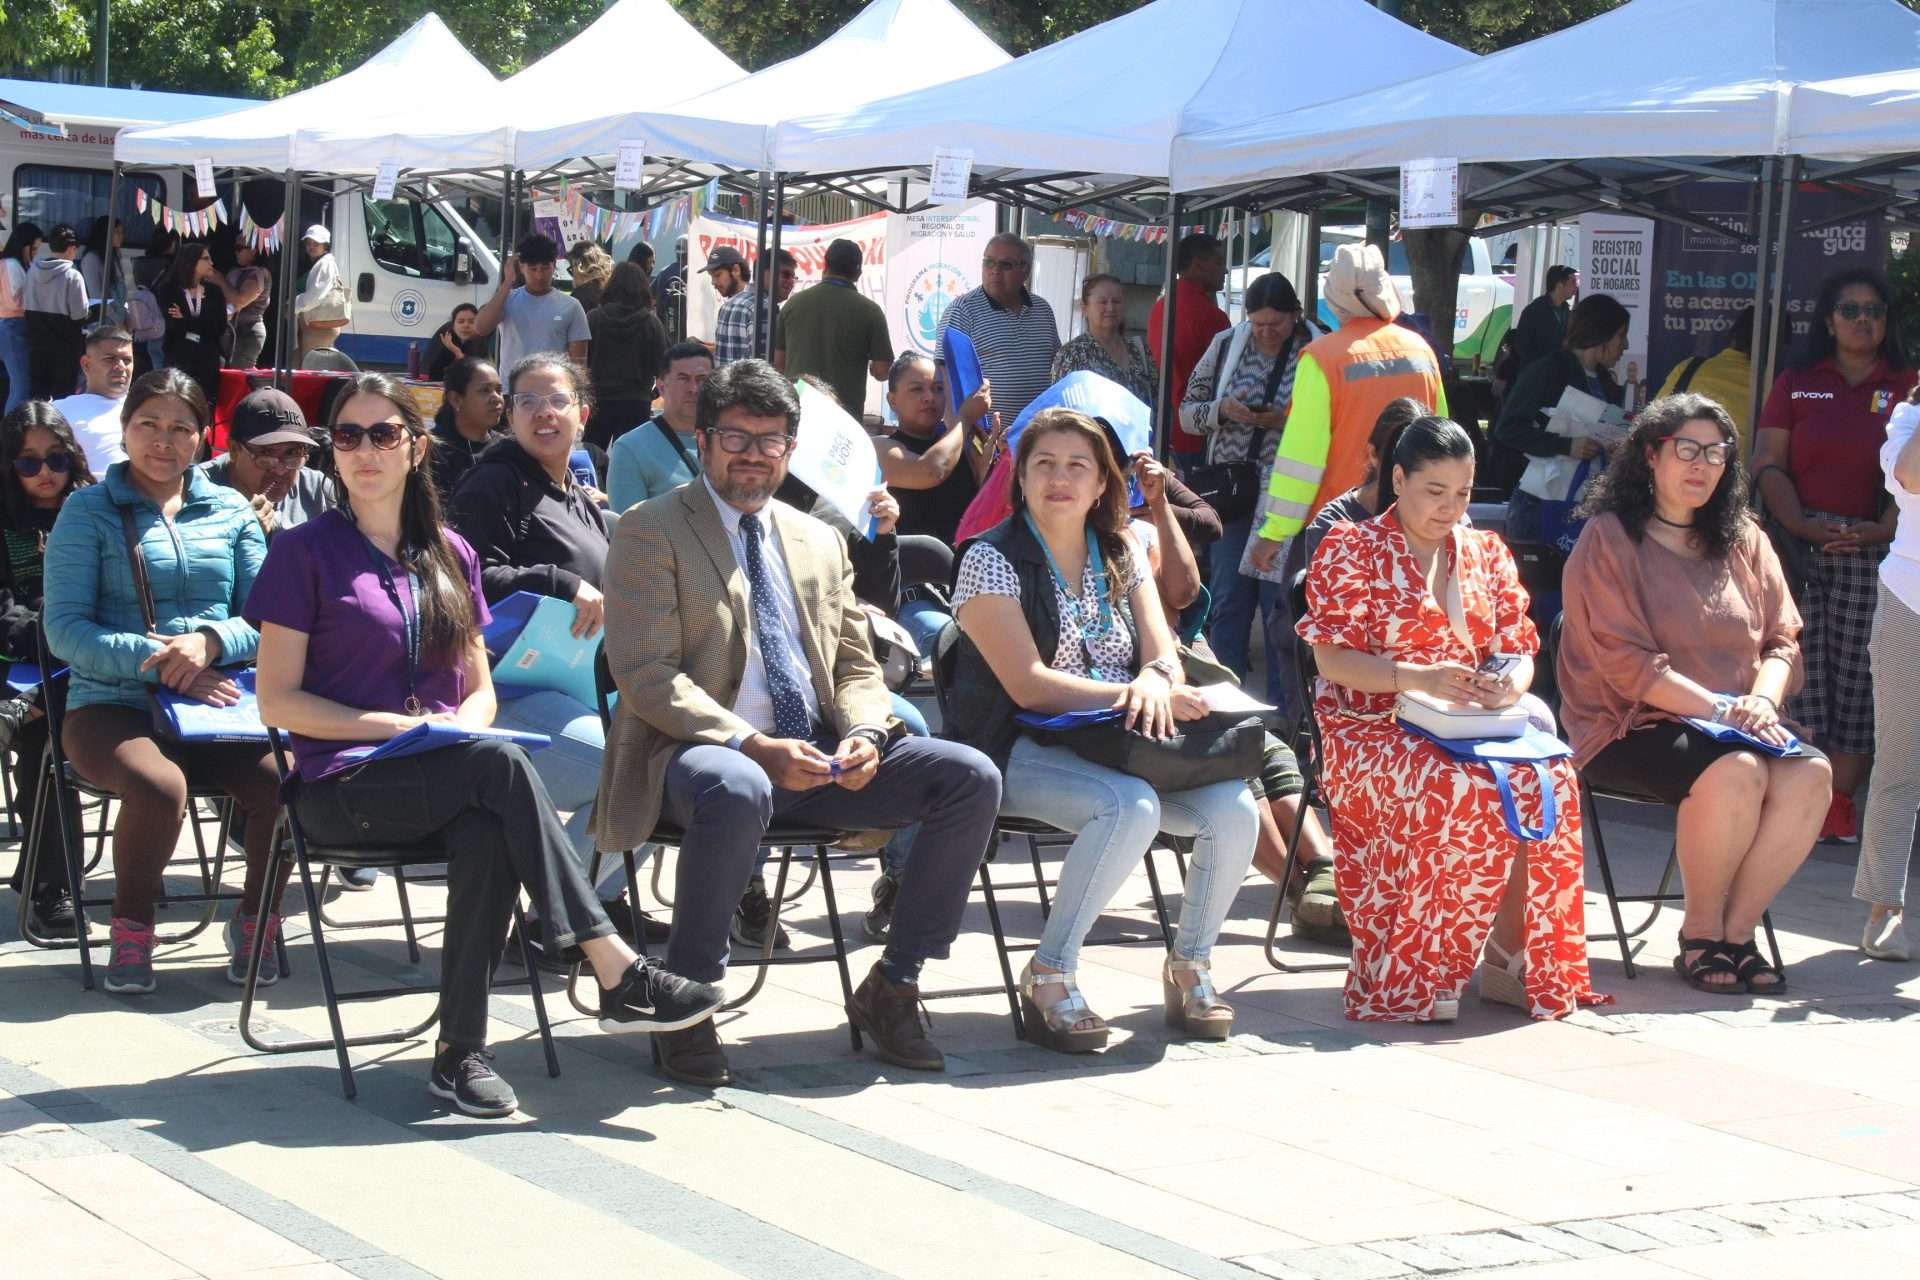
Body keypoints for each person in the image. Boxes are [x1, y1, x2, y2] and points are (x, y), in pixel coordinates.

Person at [248, 372, 721, 1117]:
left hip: (446, 770)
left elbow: (480, 688)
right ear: (331, 451)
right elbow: (277, 701)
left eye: (383, 434)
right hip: (342, 783)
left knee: (488, 823)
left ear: (415, 448)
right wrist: (400, 729)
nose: (364, 450)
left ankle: (459, 1054)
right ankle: (612, 965)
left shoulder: (450, 553)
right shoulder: (302, 552)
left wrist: (459, 723)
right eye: (346, 435)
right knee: (499, 767)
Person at [596, 358, 1002, 1086]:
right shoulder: (650, 529)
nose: (754, 454)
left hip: (817, 757)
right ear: (703, 439)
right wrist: (753, 744)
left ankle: (894, 985)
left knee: (968, 776)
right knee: (739, 784)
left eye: (772, 440)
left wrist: (866, 733)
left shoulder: (819, 538)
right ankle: (686, 1003)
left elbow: (854, 665)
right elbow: (646, 674)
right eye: (736, 437)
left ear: (791, 449)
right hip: (693, 755)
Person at [945, 407, 1256, 1050]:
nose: (1060, 479)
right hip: (1017, 745)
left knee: (1235, 808)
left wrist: (1158, 678)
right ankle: (1049, 973)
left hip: (1121, 743)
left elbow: (1163, 653)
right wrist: (1132, 690)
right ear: (1020, 478)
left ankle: (1190, 966)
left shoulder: (1120, 548)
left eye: (1076, 466)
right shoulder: (989, 557)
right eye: (1044, 465)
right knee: (1129, 807)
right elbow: (1028, 684)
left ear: (1101, 482)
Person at [1301, 415, 1606, 1022]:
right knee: (1451, 785)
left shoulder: (1486, 551)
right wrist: (1417, 677)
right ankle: (1427, 965)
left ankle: (1511, 955)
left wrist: (1508, 684)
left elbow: (1519, 647)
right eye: (1434, 491)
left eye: (1463, 493)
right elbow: (1331, 659)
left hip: (1469, 723)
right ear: (1398, 480)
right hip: (1370, 725)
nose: (1450, 507)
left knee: (1549, 779)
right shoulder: (1352, 547)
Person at [1560, 394, 1829, 993]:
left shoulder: (1745, 538)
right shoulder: (1609, 539)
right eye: (1686, 449)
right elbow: (1627, 667)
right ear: (1650, 456)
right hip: (1631, 722)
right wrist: (1723, 709)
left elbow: (1783, 641)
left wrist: (1762, 701)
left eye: (1715, 452)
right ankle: (1700, 933)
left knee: (1811, 775)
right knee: (1737, 771)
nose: (1701, 464)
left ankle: (1736, 934)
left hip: (1740, 721)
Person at [41, 369, 283, 996]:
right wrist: (162, 659)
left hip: (215, 704)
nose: (163, 440)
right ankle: (132, 929)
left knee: (287, 781)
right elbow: (64, 629)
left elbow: (268, 620)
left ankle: (257, 920)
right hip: (109, 703)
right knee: (159, 786)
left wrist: (210, 643)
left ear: (202, 438)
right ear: (124, 430)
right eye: (149, 423)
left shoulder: (229, 509)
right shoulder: (86, 510)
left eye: (180, 427)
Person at [448, 353, 651, 952]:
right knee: (636, 775)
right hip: (504, 691)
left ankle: (578, 914)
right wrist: (559, 582)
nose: (543, 413)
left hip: (574, 686)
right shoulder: (493, 483)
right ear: (508, 415)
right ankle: (561, 921)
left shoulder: (578, 497)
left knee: (672, 764)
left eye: (557, 400)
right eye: (527, 401)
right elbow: (461, 578)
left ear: (582, 414)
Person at [1753, 268, 1913, 844]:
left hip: (1879, 554)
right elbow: (1766, 460)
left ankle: (1837, 807)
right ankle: (1798, 800)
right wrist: (1799, 522)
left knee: (1862, 685)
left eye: (1874, 311)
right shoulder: (1797, 381)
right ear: (1828, 321)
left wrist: (1880, 528)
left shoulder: (1908, 384)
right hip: (1798, 548)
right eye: (1850, 310)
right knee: (1801, 677)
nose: (1863, 320)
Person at [1248, 243, 1447, 570]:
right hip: (1410, 526)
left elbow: (1302, 458)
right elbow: (1443, 443)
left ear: (1334, 296)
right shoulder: (1421, 351)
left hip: (1339, 528)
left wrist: (1275, 531)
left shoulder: (1323, 358)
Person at [1181, 271, 1312, 694]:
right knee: (1228, 600)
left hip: (1287, 496)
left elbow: (1329, 423)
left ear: (1296, 316)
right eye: (1258, 324)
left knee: (1280, 604)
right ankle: (1224, 696)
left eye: (1277, 324)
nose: (1266, 333)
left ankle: (1282, 706)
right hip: (1232, 493)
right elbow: (1187, 413)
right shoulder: (1226, 345)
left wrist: (1284, 421)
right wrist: (1223, 410)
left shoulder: (1315, 348)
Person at [0, 400, 98, 938]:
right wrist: (55, 630)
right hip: (20, 661)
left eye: (56, 459)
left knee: (46, 724)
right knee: (46, 742)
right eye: (28, 462)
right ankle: (55, 887)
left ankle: (46, 879)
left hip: (89, 662)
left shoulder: (95, 512)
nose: (45, 473)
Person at [1857, 391, 1920, 960]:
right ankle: (1885, 907)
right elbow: (1911, 476)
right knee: (1901, 762)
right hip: (1910, 598)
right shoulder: (1909, 417)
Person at [1495, 294, 1631, 544]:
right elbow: (1507, 428)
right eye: (1621, 336)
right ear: (1602, 334)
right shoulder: (1550, 369)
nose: (1626, 345)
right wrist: (1566, 445)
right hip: (1540, 504)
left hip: (1584, 504)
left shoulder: (1606, 382)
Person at [937, 233, 1062, 426]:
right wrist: (956, 430)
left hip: (1037, 432)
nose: (995, 271)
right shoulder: (963, 310)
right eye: (989, 262)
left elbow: (1057, 364)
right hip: (986, 435)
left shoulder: (1042, 309)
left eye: (1006, 265)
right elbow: (943, 372)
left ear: (1026, 270)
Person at [876, 351, 997, 549]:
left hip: (964, 560)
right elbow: (931, 470)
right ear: (892, 401)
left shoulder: (956, 445)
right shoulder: (880, 448)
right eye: (917, 389)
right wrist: (965, 418)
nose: (929, 397)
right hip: (912, 564)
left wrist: (983, 472)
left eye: (938, 388)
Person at [773, 239, 891, 418]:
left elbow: (779, 364)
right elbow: (882, 372)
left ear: (825, 265)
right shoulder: (870, 311)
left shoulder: (793, 304)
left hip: (798, 411)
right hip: (845, 416)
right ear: (858, 274)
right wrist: (871, 366)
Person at [1146, 232, 1232, 473]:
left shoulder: (1159, 308)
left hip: (1163, 426)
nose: (1225, 270)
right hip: (1198, 428)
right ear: (1198, 265)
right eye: (1218, 262)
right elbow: (1226, 378)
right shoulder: (1212, 317)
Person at [199, 388, 333, 537]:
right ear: (235, 450)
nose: (280, 470)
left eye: (292, 453)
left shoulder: (317, 490)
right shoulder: (198, 490)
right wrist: (240, 536)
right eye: (266, 455)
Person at [606, 342, 712, 512]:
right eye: (683, 379)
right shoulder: (631, 448)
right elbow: (627, 524)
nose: (693, 389)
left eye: (702, 380)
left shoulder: (731, 440)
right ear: (661, 387)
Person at [470, 233, 591, 373]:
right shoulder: (507, 299)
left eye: (545, 268)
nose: (539, 276)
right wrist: (508, 281)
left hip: (553, 384)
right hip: (512, 384)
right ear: (521, 267)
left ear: (554, 266)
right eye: (533, 269)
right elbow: (481, 328)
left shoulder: (571, 306)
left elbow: (579, 363)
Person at [585, 263, 670, 448]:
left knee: (592, 452)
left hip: (599, 398)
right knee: (632, 454)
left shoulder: (593, 318)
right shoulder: (651, 323)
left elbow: (583, 360)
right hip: (636, 400)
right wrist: (652, 393)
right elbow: (663, 366)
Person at [1655, 304, 1758, 455]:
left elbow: (1653, 422)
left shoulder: (1689, 367)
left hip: (1681, 462)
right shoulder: (1776, 385)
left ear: (1733, 337)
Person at [1052, 273, 1155, 407]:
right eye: (1103, 302)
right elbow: (1059, 410)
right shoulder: (1071, 354)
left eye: (1116, 301)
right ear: (1085, 308)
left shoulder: (1140, 350)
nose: (1110, 308)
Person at [153, 243, 228, 406]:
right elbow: (173, 324)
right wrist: (200, 323)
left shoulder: (214, 292)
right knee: (176, 401)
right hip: (179, 356)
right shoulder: (168, 290)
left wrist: (186, 319)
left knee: (205, 404)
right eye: (206, 259)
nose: (211, 263)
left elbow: (219, 326)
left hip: (207, 357)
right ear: (191, 261)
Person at [53, 325, 135, 471]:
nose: (121, 366)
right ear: (86, 364)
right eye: (110, 359)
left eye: (127, 360)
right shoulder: (59, 411)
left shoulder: (145, 408)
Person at [23, 223, 88, 401]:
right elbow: (79, 314)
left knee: (38, 397)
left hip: (37, 343)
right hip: (65, 347)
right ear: (71, 248)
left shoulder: (32, 271)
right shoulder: (73, 276)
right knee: (63, 398)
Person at [429, 356, 506, 500]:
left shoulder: (505, 449)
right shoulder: (430, 451)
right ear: (456, 399)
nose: (497, 398)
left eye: (499, 390)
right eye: (485, 390)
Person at [715, 248, 795, 366]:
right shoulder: (764, 308)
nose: (791, 281)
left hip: (727, 377)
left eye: (793, 277)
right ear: (765, 274)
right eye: (786, 275)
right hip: (748, 378)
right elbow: (766, 365)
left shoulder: (729, 304)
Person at [0, 222, 42, 413]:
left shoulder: (10, 263)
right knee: (21, 386)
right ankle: (12, 427)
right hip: (12, 327)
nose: (35, 253)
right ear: (24, 246)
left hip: (10, 326)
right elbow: (14, 302)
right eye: (34, 249)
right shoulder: (11, 265)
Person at [1508, 265, 1578, 377]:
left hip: (1557, 375)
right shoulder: (1534, 310)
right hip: (1535, 375)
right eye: (1573, 282)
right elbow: (1522, 346)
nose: (1576, 286)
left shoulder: (1567, 312)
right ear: (1559, 286)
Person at [292, 225, 346, 361]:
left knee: (312, 365)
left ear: (325, 246)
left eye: (316, 244)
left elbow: (314, 297)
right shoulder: (317, 263)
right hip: (315, 326)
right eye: (308, 243)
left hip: (319, 328)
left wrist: (292, 306)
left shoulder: (325, 264)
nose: (311, 247)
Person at [224, 241, 272, 371]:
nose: (236, 252)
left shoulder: (260, 273)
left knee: (239, 374)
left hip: (249, 332)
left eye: (240, 248)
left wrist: (218, 279)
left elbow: (239, 301)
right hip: (233, 331)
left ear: (253, 251)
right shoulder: (235, 271)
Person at [79, 216, 128, 311]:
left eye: (122, 232)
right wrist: (115, 318)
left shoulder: (115, 256)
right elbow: (96, 297)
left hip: (119, 313)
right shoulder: (91, 259)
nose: (121, 236)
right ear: (105, 233)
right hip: (103, 316)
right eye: (117, 232)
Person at [426, 303, 485, 382]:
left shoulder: (482, 342)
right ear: (453, 325)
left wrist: (457, 352)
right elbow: (434, 374)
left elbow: (476, 376)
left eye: (471, 322)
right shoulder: (448, 338)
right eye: (461, 322)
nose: (466, 325)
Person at [653, 237, 687, 342]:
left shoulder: (663, 272)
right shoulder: (692, 272)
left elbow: (651, 297)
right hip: (686, 331)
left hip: (664, 327)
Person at [566, 240, 614, 315]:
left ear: (580, 266)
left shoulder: (580, 295)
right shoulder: (612, 290)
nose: (573, 275)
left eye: (571, 269)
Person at [701, 244, 749, 319]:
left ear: (736, 270)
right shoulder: (726, 308)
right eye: (711, 276)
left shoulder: (752, 307)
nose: (713, 282)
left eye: (717, 275)